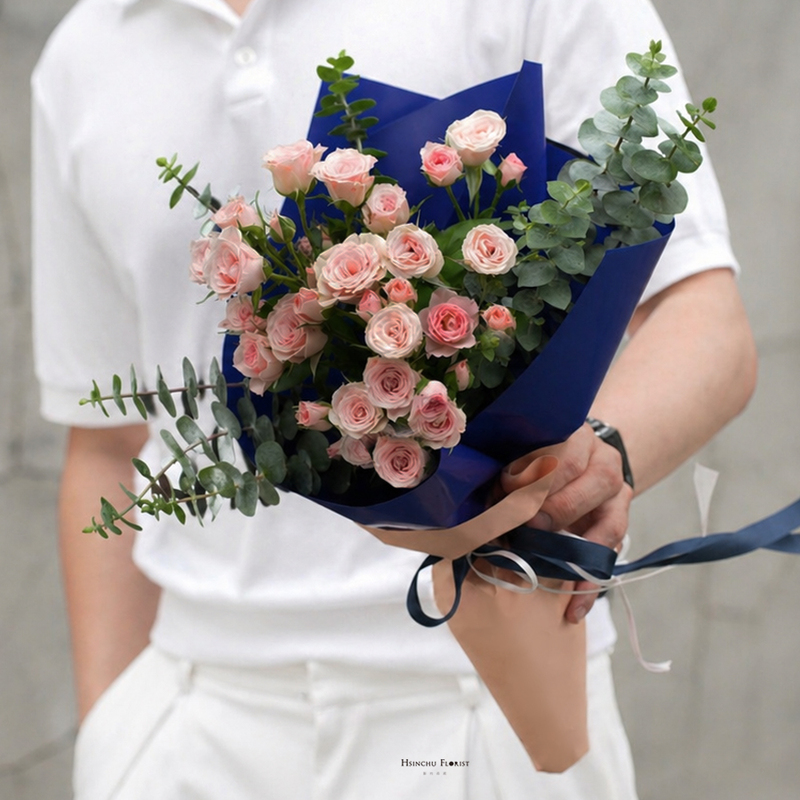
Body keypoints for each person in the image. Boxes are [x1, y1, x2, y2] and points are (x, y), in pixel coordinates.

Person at [31, 0, 756, 797]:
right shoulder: (84, 55)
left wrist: (596, 460)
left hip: (481, 693)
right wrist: (113, 735)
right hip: (196, 711)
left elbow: (704, 321)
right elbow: (106, 441)